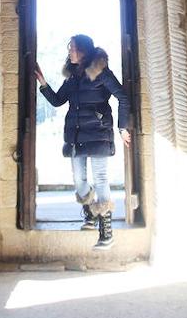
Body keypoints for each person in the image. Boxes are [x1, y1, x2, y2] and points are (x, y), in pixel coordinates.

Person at [36, 35, 132, 249]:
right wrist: (43, 83)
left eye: (73, 48)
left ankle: (106, 232)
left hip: (98, 132)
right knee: (79, 181)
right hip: (76, 134)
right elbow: (58, 100)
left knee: (100, 178)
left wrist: (122, 127)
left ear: (84, 51)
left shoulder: (101, 72)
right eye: (69, 48)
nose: (70, 51)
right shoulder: (72, 77)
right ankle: (90, 210)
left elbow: (123, 97)